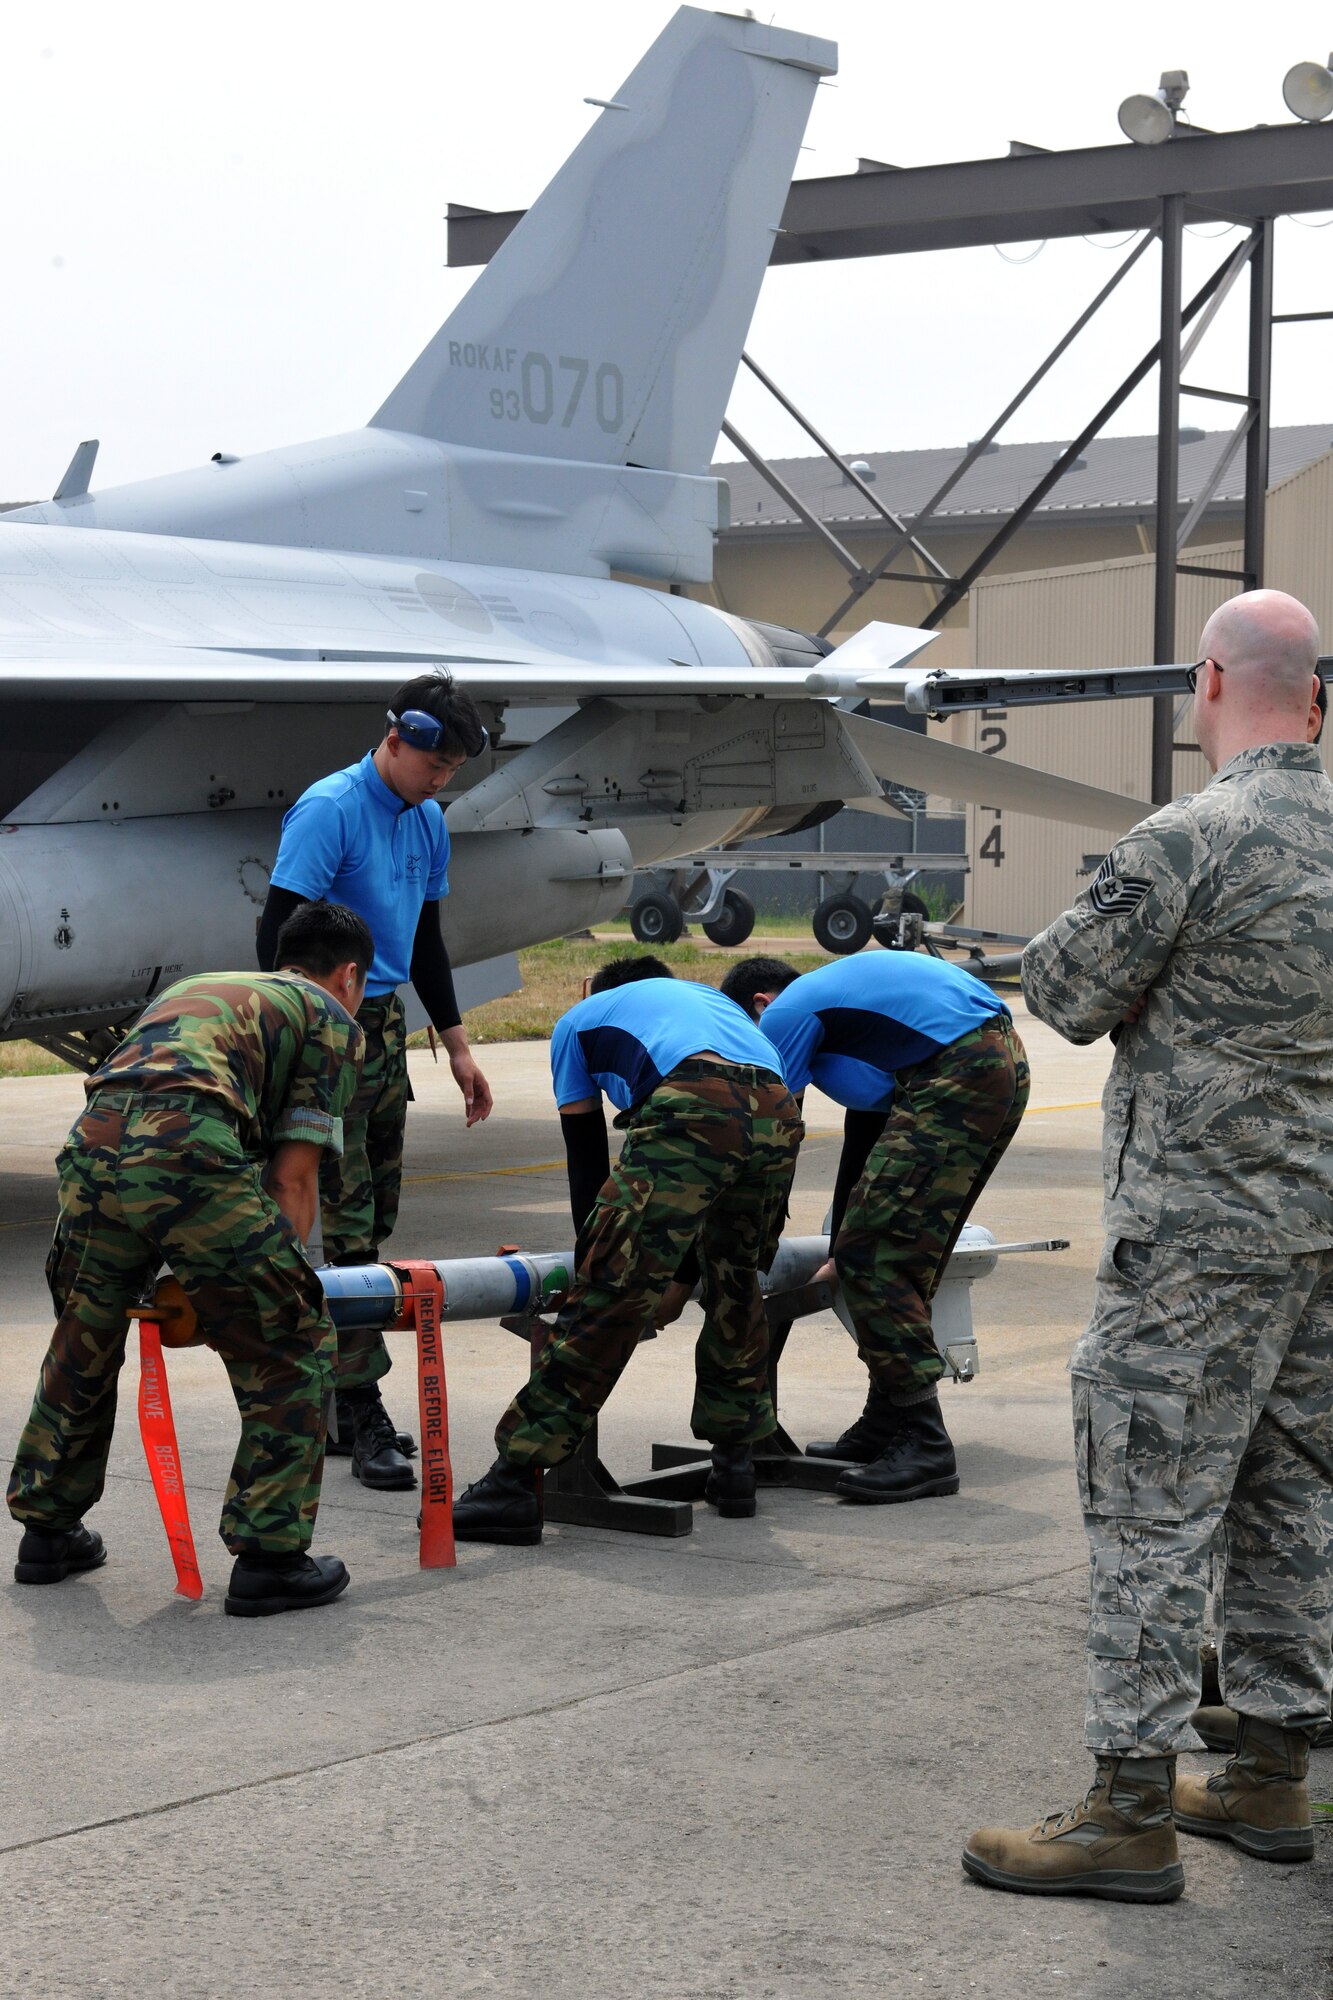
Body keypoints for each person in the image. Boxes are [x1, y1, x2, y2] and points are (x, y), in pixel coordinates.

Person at [964, 588, 1333, 1903]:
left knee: (1149, 1509)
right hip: (1318, 1247)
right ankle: (1271, 1770)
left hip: (1191, 1250)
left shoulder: (1189, 837)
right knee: (1292, 1504)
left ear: (1213, 682)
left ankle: (1128, 1808)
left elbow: (1062, 991)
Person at [8, 900, 372, 1618]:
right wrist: (264, 1286)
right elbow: (292, 1180)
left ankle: (47, 1534)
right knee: (289, 1339)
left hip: (92, 1143)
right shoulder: (331, 1019)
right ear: (350, 975)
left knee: (85, 1335)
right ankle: (272, 1557)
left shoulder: (198, 989)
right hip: (191, 1145)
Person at [449, 955, 803, 1544]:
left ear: (601, 991)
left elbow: (586, 1162)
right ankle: (735, 1465)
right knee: (736, 1281)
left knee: (611, 1293)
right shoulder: (702, 1002)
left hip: (694, 1095)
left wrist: (604, 1267)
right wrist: (677, 1277)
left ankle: (514, 1480)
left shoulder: (578, 1021)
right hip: (778, 1107)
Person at [257, 670, 493, 1494]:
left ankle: (333, 1392)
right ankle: (363, 1412)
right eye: (434, 766)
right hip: (328, 1022)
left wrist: (458, 1043)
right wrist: (300, 1037)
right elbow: (277, 932)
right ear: (395, 741)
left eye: (452, 772)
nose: (440, 782)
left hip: (384, 1026)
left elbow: (426, 935)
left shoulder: (426, 819)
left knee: (377, 1211)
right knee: (350, 1227)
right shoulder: (330, 808)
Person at [723, 951, 1028, 1503]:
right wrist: (843, 1238)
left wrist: (754, 1244)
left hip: (958, 1068)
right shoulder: (851, 1020)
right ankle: (887, 1423)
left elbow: (775, 1144)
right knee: (900, 1251)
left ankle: (925, 1441)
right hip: (996, 1055)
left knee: (876, 1257)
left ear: (760, 1005)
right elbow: (870, 1128)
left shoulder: (787, 1013)